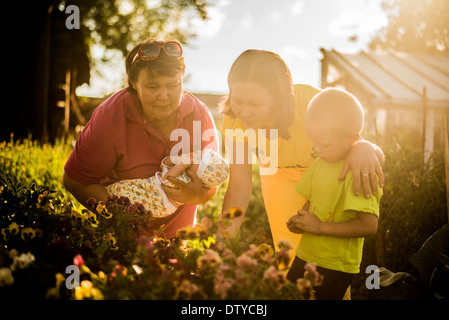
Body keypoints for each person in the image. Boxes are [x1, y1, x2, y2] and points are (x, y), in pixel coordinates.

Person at [218, 49, 384, 255]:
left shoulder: (313, 103)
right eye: (238, 100)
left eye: (255, 104)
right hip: (278, 174)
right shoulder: (234, 119)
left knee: (327, 256)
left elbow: (362, 143)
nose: (244, 112)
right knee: (289, 254)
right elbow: (239, 187)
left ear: (280, 97)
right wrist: (222, 241)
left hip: (329, 173)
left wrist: (365, 147)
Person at [62, 38, 219, 239]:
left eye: (173, 85)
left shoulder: (200, 115)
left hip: (176, 240)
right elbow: (76, 180)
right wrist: (122, 222)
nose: (164, 95)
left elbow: (210, 181)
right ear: (134, 83)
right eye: (153, 87)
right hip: (119, 236)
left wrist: (200, 195)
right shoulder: (110, 116)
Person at [285, 87, 382, 300]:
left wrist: (320, 227)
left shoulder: (360, 172)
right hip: (306, 254)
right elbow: (313, 200)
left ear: (352, 138)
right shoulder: (320, 163)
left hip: (335, 266)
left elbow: (369, 225)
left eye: (324, 144)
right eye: (314, 141)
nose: (317, 149)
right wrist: (301, 219)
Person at [105, 148, 229, 218]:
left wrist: (181, 165)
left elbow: (167, 179)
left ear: (200, 174)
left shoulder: (187, 182)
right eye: (198, 153)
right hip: (152, 190)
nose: (193, 155)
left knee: (124, 192)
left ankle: (108, 194)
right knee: (125, 192)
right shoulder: (187, 172)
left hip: (155, 199)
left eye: (198, 158)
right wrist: (180, 158)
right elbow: (164, 164)